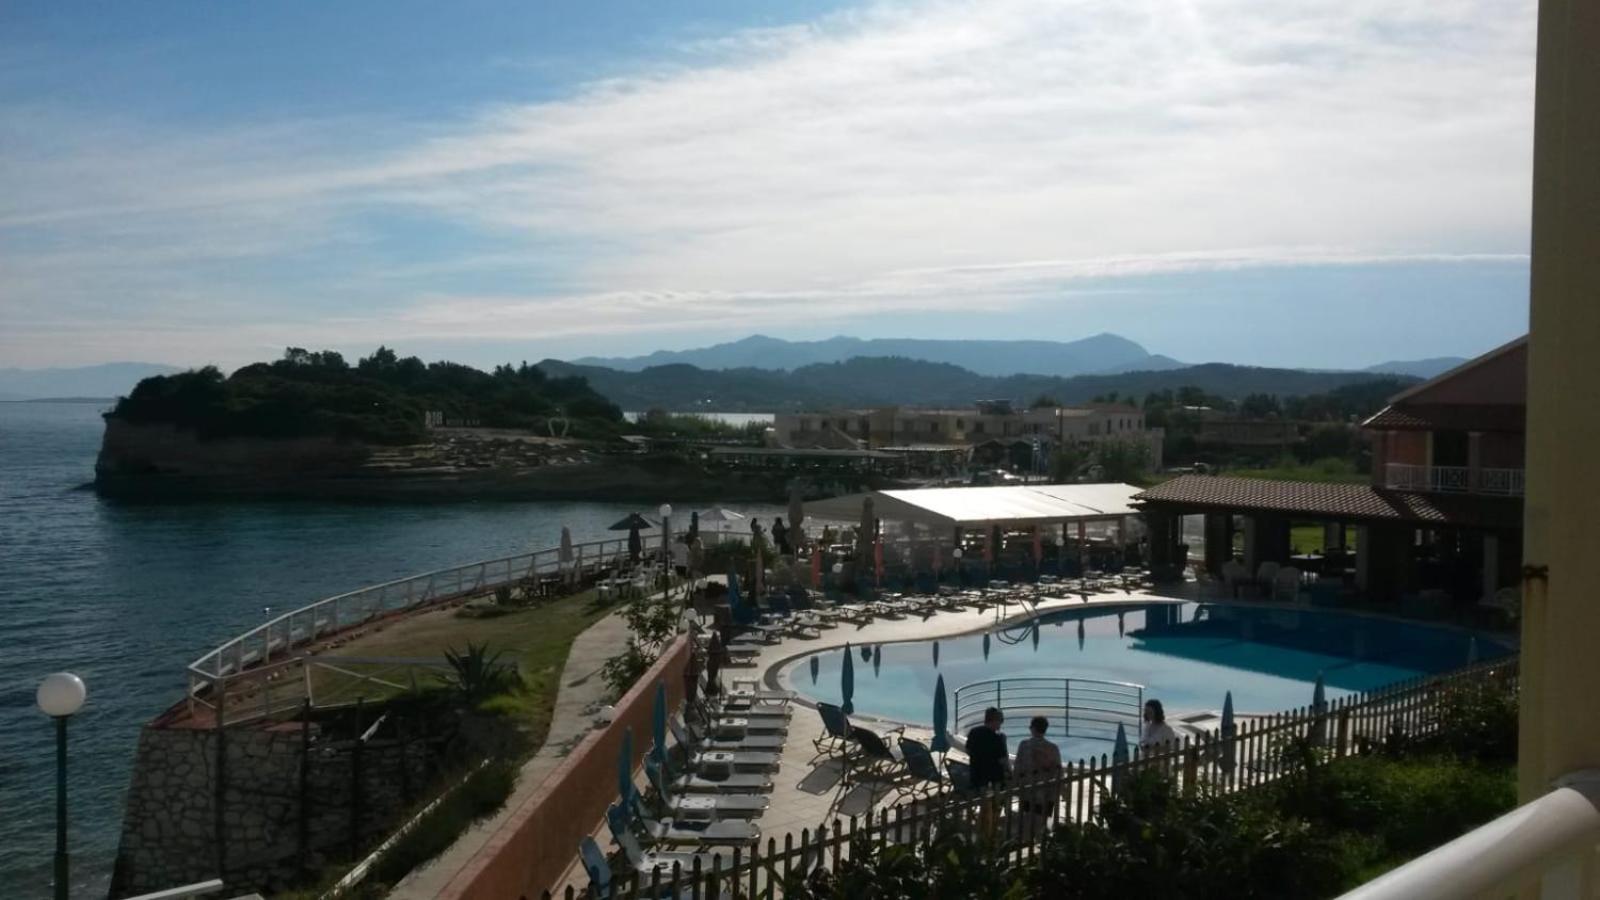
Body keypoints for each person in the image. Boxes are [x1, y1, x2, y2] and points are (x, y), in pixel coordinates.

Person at [1012, 716, 1063, 836]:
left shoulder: (1024, 745)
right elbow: (1058, 772)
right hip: (1046, 793)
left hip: (1027, 791)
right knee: (1041, 825)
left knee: (1026, 823)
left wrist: (1015, 784)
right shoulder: (1053, 748)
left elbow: (1018, 767)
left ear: (1032, 729)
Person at [965, 706, 1010, 790]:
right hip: (995, 778)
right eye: (1001, 720)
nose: (1001, 723)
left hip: (976, 774)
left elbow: (968, 750)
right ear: (995, 720)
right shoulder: (998, 738)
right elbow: (1003, 760)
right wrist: (1009, 772)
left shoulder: (973, 732)